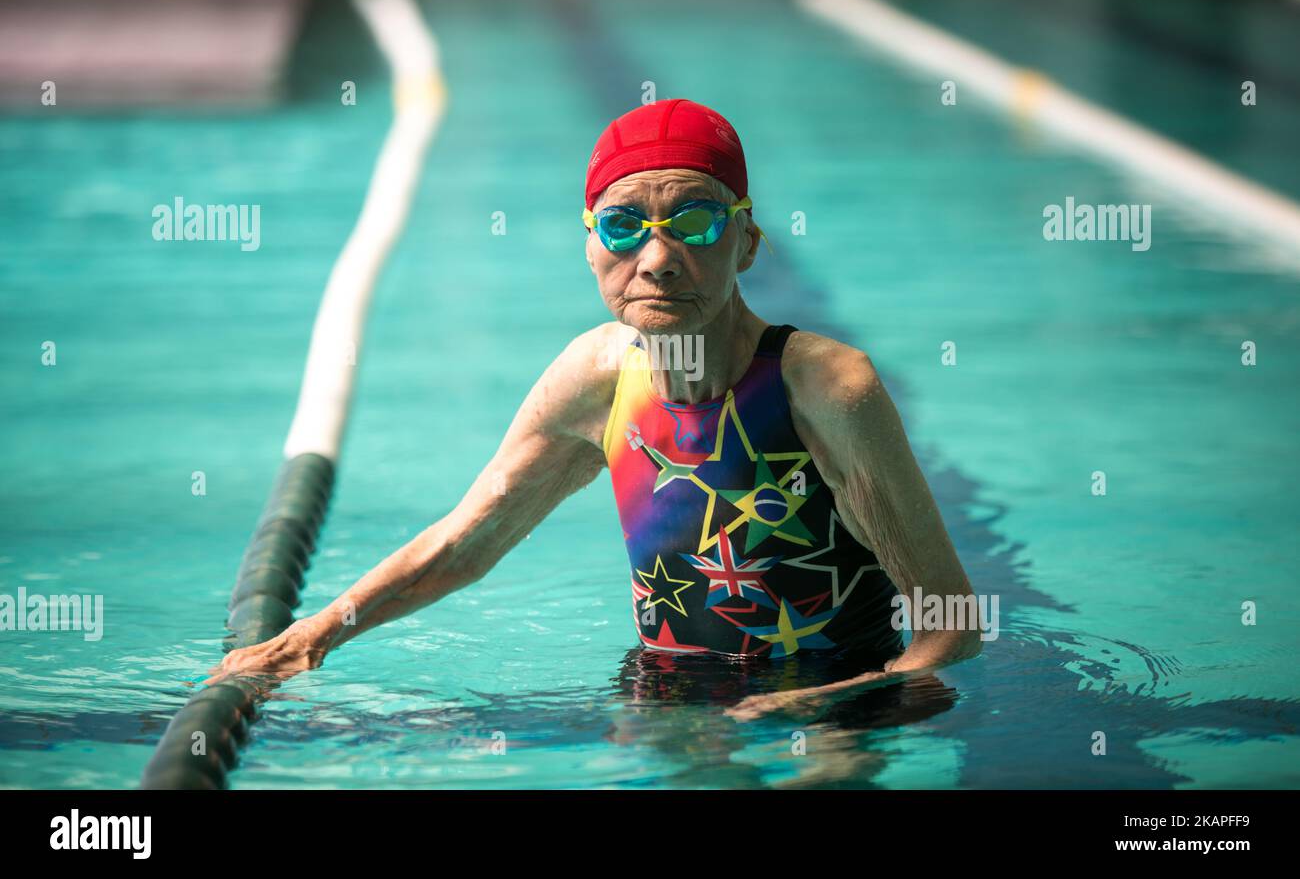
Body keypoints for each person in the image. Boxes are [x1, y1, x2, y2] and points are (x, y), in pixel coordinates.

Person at [208, 98, 982, 720]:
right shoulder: (598, 377)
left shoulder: (827, 387)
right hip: (667, 693)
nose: (656, 258)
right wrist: (307, 641)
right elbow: (465, 543)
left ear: (747, 241)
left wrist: (822, 700)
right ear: (589, 244)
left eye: (695, 221)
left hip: (842, 694)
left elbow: (950, 625)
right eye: (623, 226)